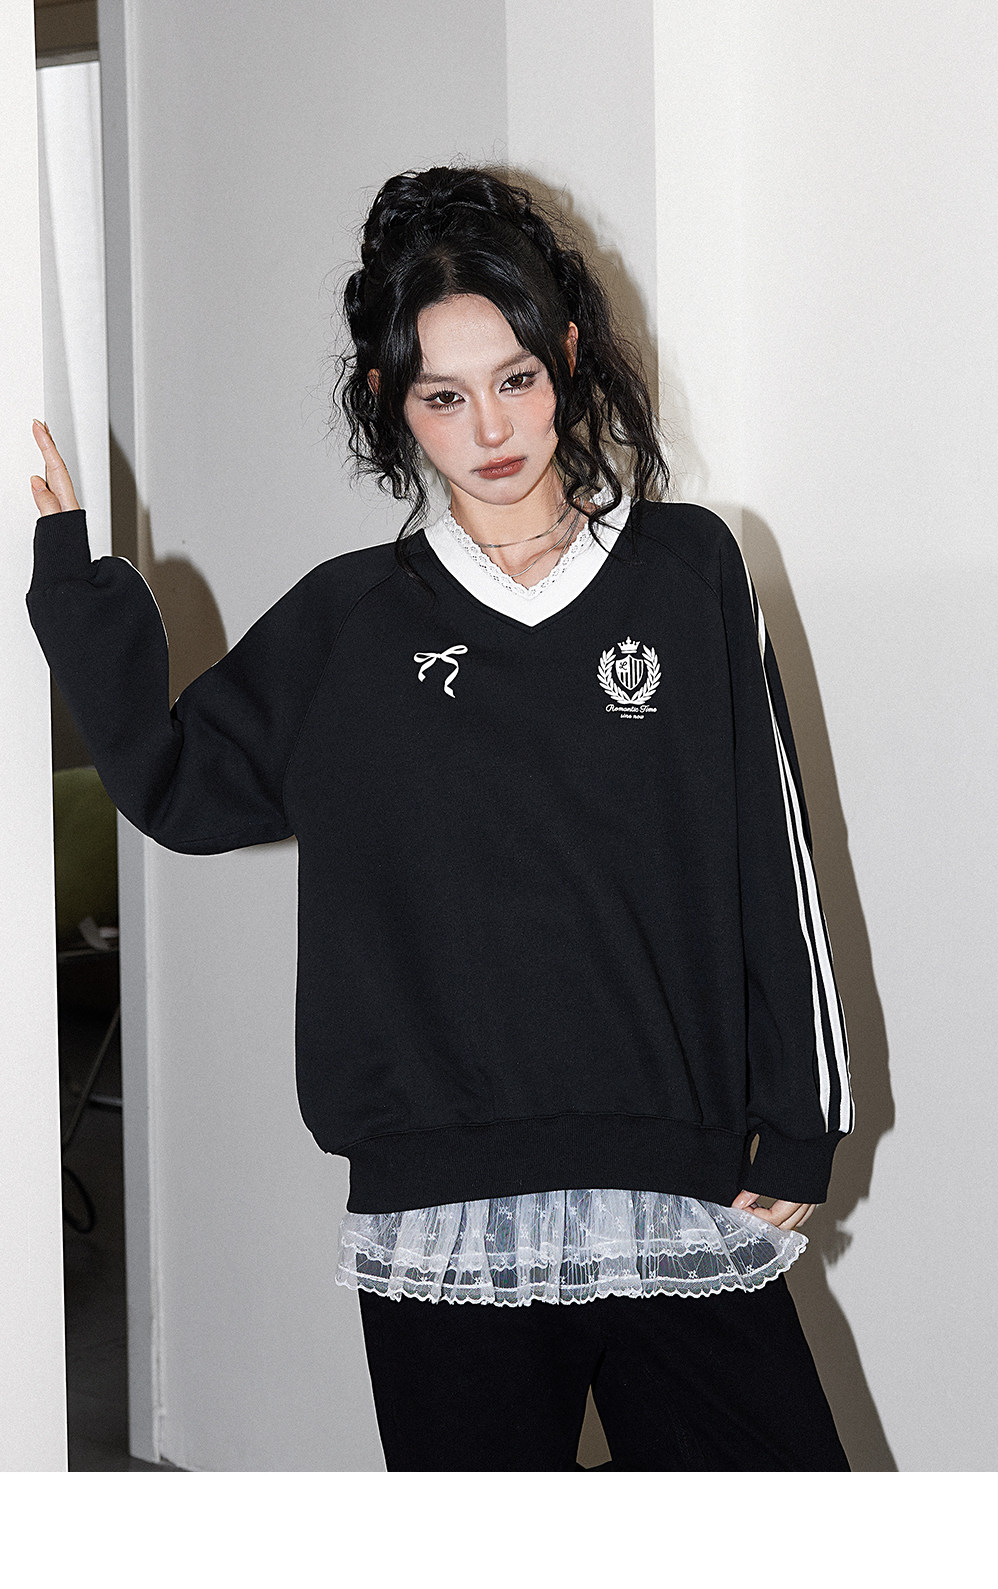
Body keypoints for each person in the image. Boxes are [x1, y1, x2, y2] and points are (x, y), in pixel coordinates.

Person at [26, 163, 854, 1473]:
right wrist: (81, 599)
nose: (492, 427)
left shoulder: (690, 569)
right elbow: (178, 785)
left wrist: (800, 1117)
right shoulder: (348, 622)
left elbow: (777, 858)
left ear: (567, 358)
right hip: (441, 1208)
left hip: (674, 1178)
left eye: (515, 377)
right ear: (391, 402)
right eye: (445, 396)